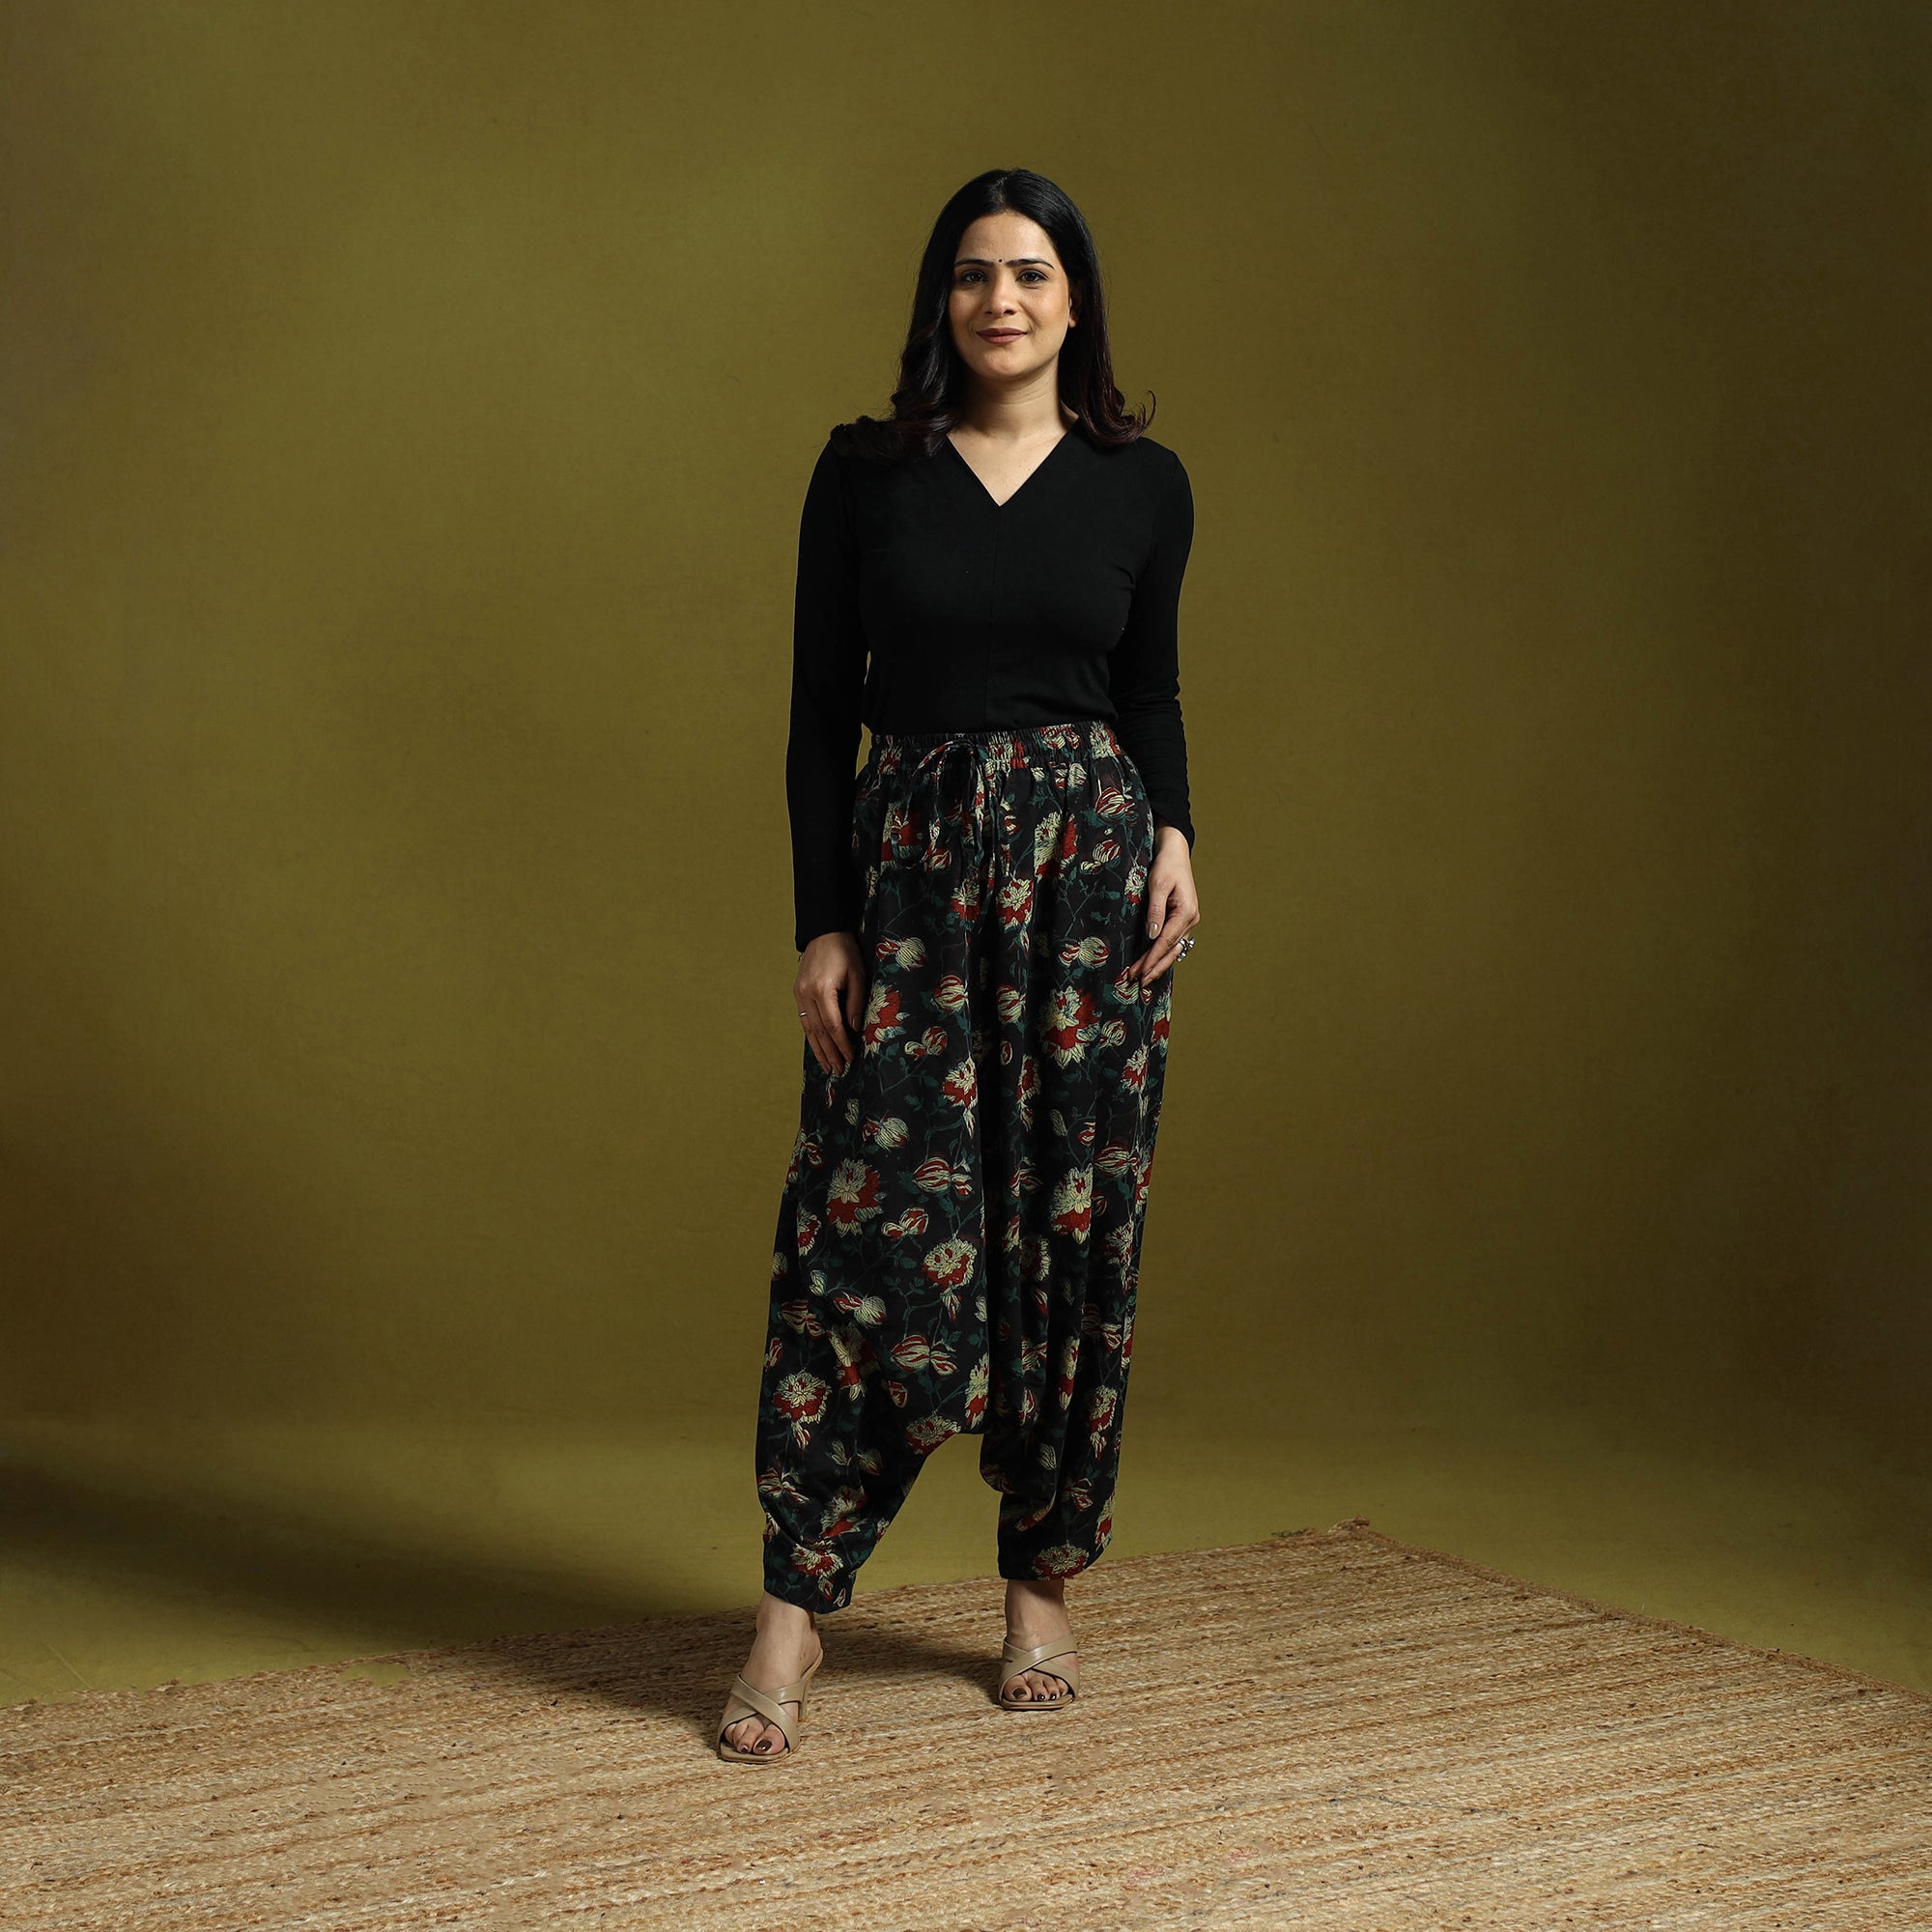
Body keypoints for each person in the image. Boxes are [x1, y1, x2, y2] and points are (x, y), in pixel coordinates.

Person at [718, 166, 1202, 1762]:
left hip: (1090, 895)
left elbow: (1148, 692)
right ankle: (795, 1604)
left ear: (1077, 301)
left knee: (1072, 1234)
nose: (1004, 299)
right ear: (943, 298)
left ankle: (1041, 1588)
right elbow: (816, 715)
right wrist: (824, 920)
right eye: (976, 272)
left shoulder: (1143, 485)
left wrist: (1177, 832)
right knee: (862, 1239)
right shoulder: (867, 474)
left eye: (1033, 273)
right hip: (913, 892)